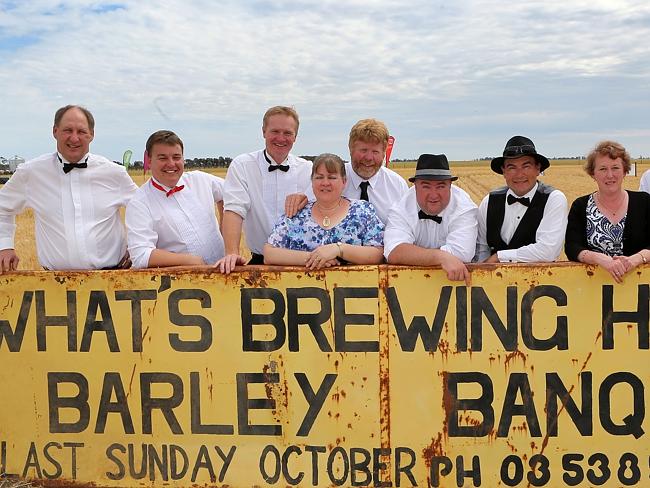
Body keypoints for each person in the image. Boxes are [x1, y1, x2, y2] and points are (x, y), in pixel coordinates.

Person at [0, 105, 137, 272]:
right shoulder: (31, 173)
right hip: (53, 285)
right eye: (67, 130)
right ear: (55, 131)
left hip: (113, 281)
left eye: (81, 131)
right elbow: (2, 207)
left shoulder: (114, 173)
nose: (74, 138)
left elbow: (143, 209)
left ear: (91, 134)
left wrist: (138, 244)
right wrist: (5, 246)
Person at [215, 106, 312, 273]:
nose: (281, 138)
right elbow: (234, 210)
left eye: (287, 133)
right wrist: (231, 253)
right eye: (275, 131)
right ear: (263, 132)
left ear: (295, 136)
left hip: (303, 263)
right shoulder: (242, 166)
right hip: (259, 262)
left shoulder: (308, 170)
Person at [264, 153, 384, 268]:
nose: (325, 183)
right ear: (312, 181)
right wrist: (315, 258)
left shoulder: (362, 211)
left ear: (344, 182)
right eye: (319, 177)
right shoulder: (297, 212)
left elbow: (377, 254)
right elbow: (269, 254)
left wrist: (338, 249)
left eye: (332, 177)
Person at [126, 130, 225, 268]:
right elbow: (141, 255)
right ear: (149, 160)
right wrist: (192, 261)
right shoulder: (139, 203)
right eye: (163, 158)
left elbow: (233, 194)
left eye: (176, 157)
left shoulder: (200, 180)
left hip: (225, 275)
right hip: (182, 283)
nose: (171, 164)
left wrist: (225, 230)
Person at [286, 118, 408, 224]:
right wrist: (299, 200)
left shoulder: (397, 185)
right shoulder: (330, 179)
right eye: (363, 150)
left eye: (375, 152)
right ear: (350, 149)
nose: (369, 158)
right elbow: (308, 208)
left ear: (383, 153)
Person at [384, 154, 477, 284]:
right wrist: (440, 257)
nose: (433, 195)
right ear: (415, 186)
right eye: (426, 186)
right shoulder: (401, 208)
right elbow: (393, 251)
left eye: (440, 186)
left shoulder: (464, 207)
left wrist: (413, 255)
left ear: (450, 185)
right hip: (411, 284)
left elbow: (462, 253)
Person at [565, 140, 650, 283]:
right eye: (603, 169)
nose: (610, 175)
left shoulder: (645, 202)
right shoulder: (580, 206)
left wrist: (636, 259)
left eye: (615, 168)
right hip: (592, 290)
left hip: (641, 291)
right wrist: (600, 259)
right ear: (593, 174)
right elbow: (572, 247)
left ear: (625, 171)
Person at [475, 135, 568, 263]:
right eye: (512, 167)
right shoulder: (489, 201)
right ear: (504, 171)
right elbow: (480, 247)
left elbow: (548, 251)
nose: (519, 174)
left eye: (526, 166)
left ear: (538, 168)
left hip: (540, 280)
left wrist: (499, 257)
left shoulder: (554, 199)